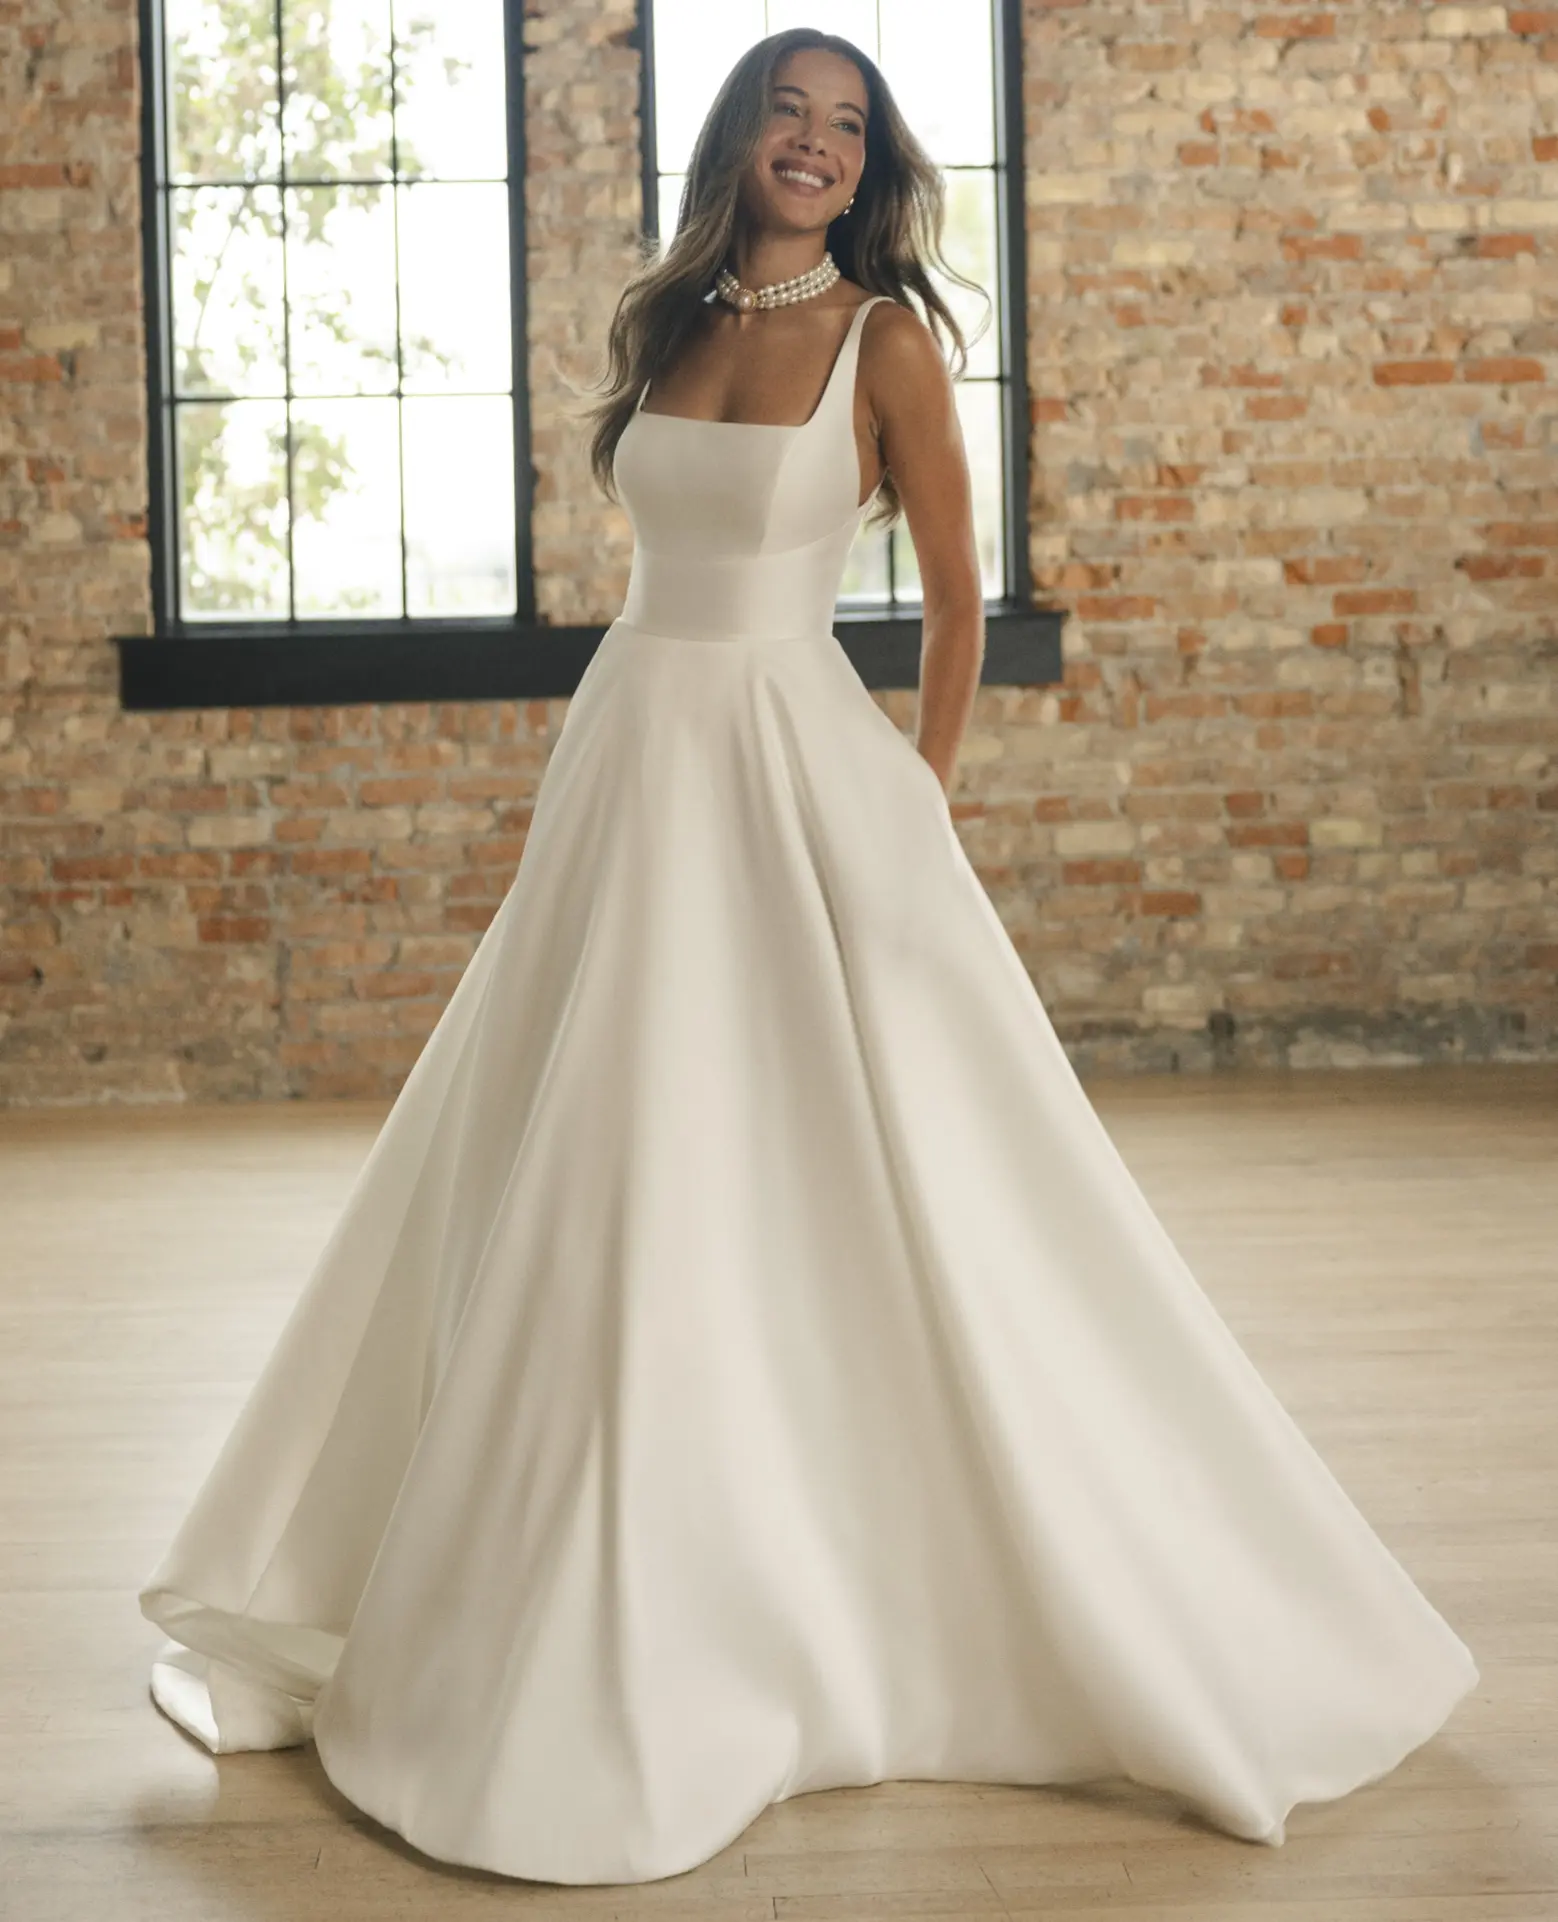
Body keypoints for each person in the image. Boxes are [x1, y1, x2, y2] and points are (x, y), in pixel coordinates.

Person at [138, 27, 1478, 1887]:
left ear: (870, 166)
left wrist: (912, 805)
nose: (822, 149)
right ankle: (526, 1574)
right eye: (794, 112)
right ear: (740, 134)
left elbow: (951, 595)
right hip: (631, 749)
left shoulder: (890, 342)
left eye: (851, 130)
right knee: (585, 1156)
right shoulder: (670, 322)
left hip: (788, 765)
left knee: (831, 1166)